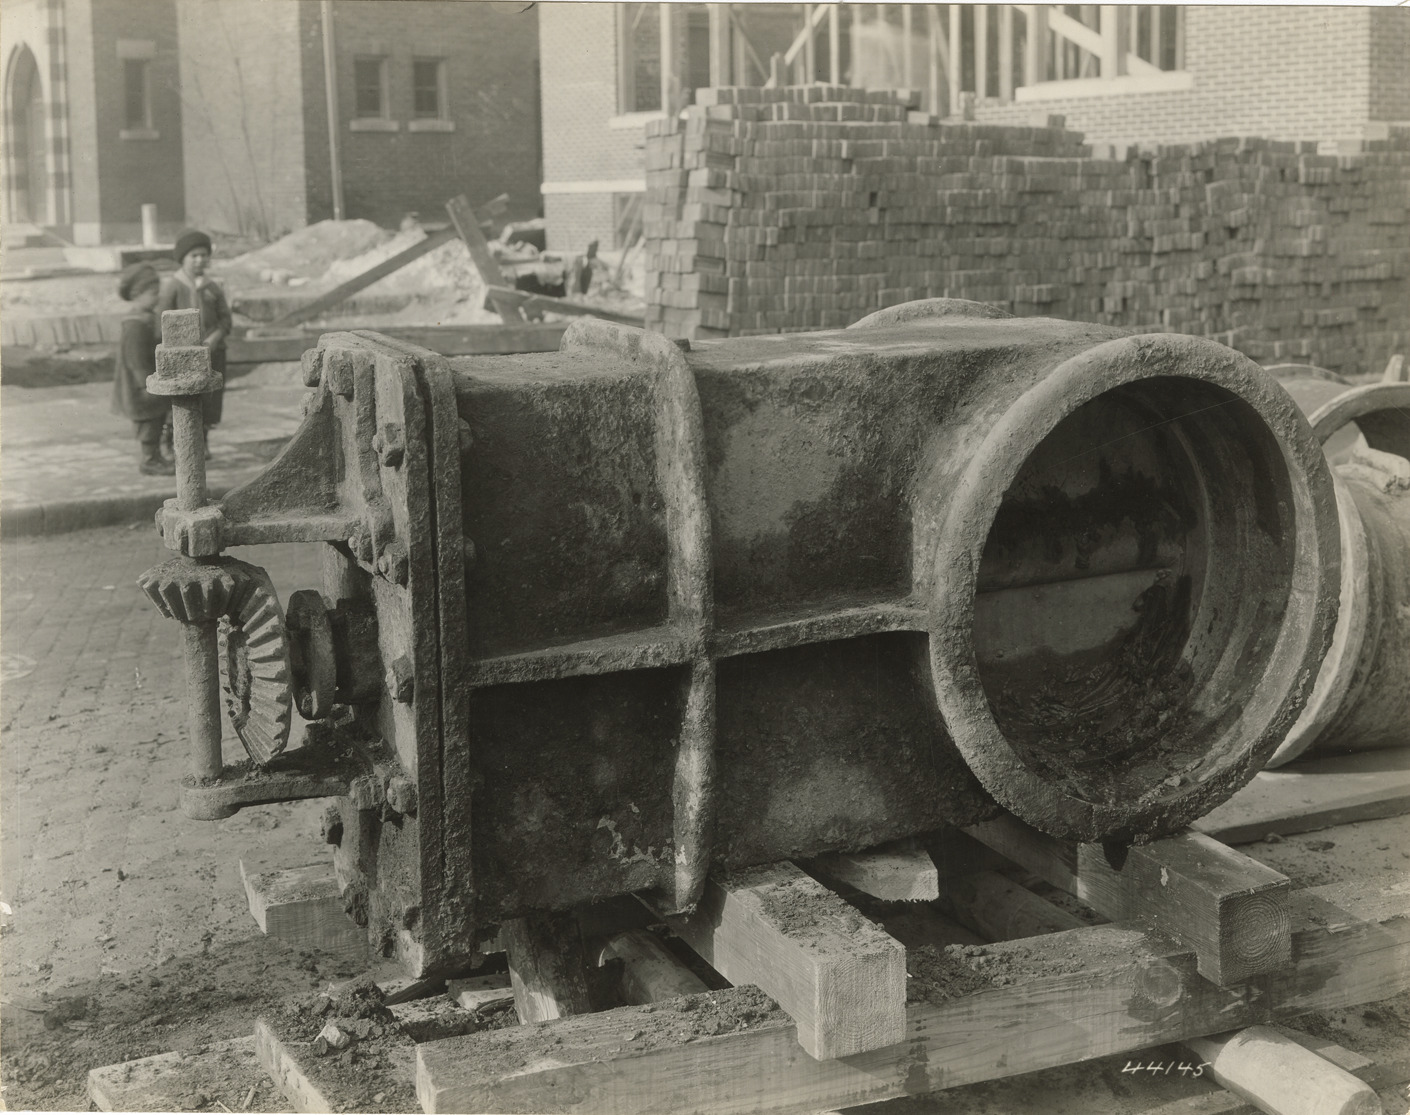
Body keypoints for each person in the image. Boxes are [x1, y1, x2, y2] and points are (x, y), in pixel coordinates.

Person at [158, 228, 231, 456]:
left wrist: (214, 338)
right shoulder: (173, 286)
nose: (200, 260)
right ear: (183, 258)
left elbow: (226, 320)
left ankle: (202, 442)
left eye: (204, 255)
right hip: (181, 356)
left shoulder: (212, 287)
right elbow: (161, 319)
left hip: (212, 353)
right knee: (181, 399)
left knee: (209, 400)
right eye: (194, 256)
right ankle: (171, 442)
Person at [111, 263, 174, 476]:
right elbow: (135, 359)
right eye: (153, 293)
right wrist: (144, 383)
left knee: (156, 419)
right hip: (140, 383)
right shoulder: (135, 324)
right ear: (137, 295)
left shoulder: (148, 317)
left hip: (149, 379)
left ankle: (156, 456)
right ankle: (149, 460)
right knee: (148, 422)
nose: (157, 297)